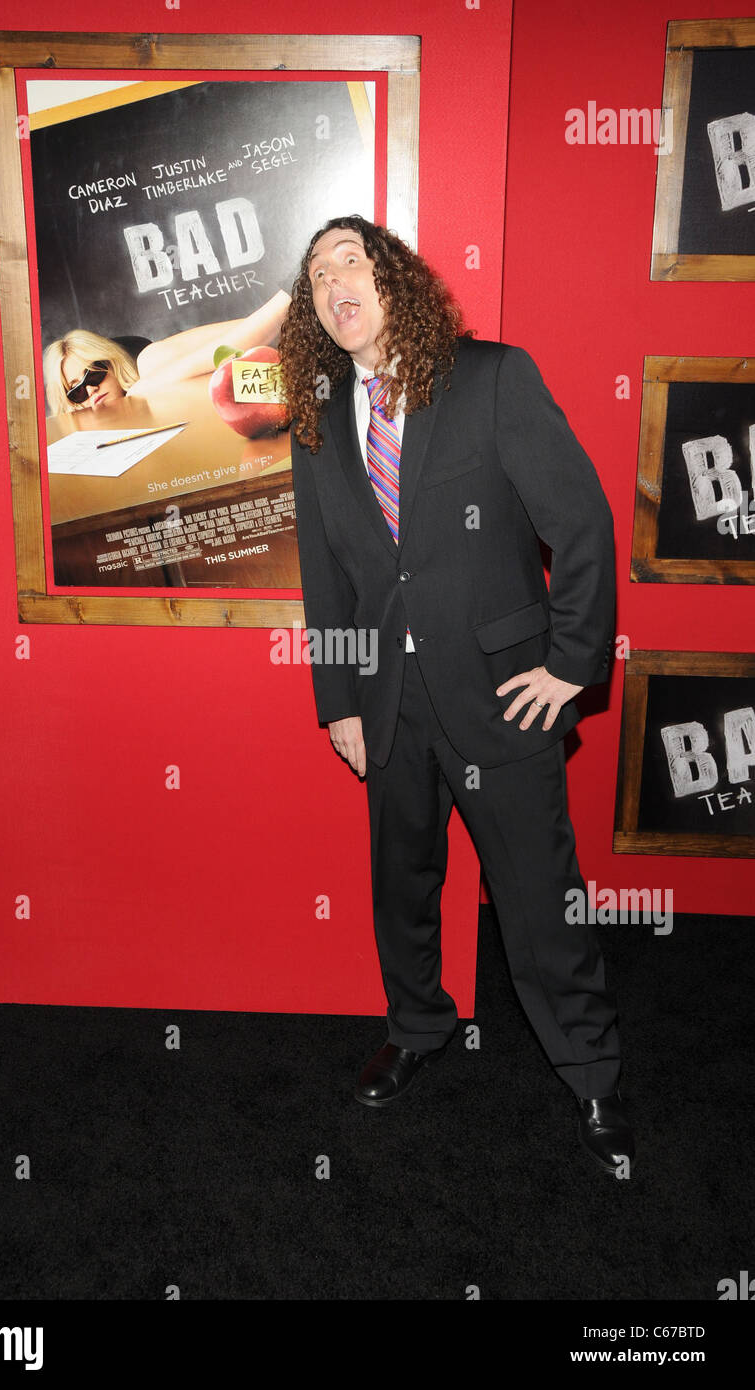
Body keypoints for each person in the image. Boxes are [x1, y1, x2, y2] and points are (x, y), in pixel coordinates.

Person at [279, 214, 634, 1176]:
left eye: (351, 260)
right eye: (316, 277)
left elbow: (584, 522)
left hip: (501, 695)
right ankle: (417, 1026)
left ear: (394, 281)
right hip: (387, 700)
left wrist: (569, 664)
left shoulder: (491, 379)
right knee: (402, 886)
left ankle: (591, 1073)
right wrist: (341, 700)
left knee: (539, 899)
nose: (333, 281)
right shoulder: (316, 417)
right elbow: (327, 575)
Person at [42, 290, 291, 416]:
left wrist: (143, 390)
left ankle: (290, 309)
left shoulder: (149, 364)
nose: (91, 390)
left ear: (112, 364)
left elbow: (228, 344)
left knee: (151, 365)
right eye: (76, 391)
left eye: (93, 374)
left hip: (273, 384)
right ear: (69, 403)